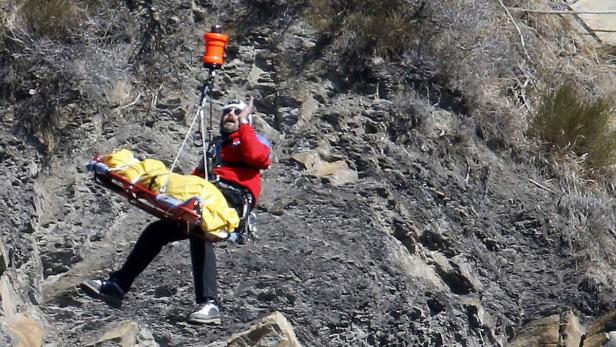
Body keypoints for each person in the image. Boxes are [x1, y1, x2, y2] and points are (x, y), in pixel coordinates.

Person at [81, 96, 272, 324]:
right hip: (206, 197)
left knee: (199, 230)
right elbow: (196, 179)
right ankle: (118, 285)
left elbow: (256, 157)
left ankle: (209, 303)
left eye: (236, 112)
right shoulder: (215, 149)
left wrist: (244, 125)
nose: (230, 114)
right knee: (157, 231)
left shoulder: (254, 140)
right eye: (227, 112)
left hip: (231, 201)